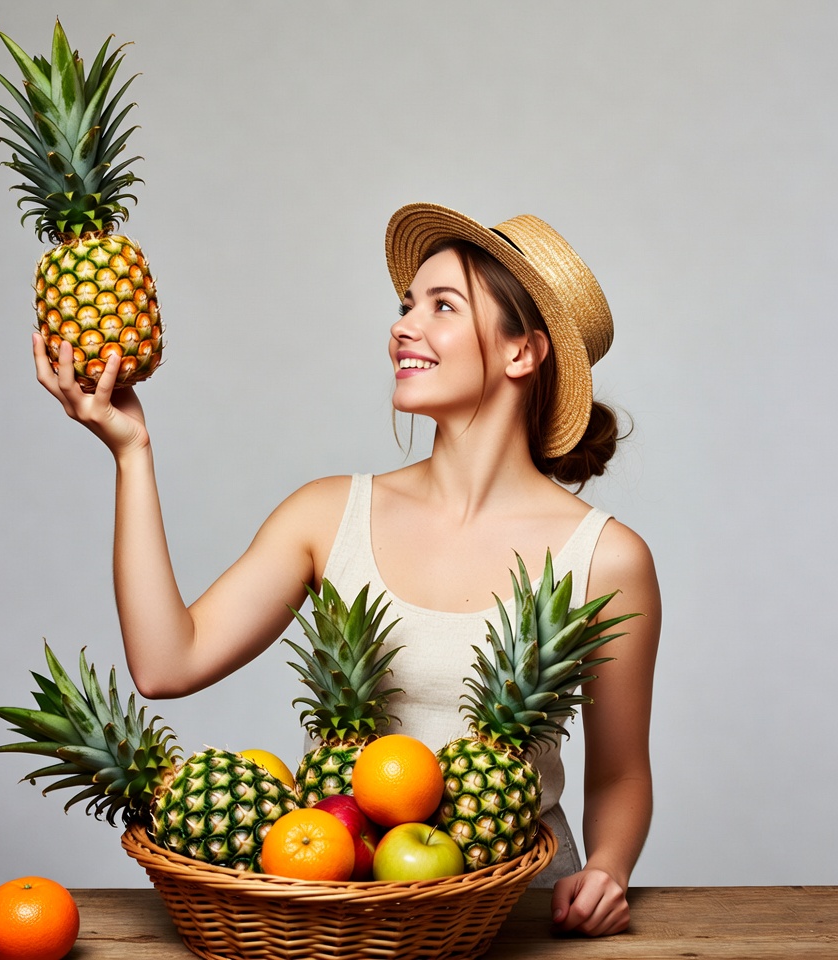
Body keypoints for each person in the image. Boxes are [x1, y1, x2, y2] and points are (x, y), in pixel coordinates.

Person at [34, 202, 660, 937]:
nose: (403, 325)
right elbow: (167, 663)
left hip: (516, 919)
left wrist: (608, 871)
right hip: (343, 909)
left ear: (523, 352)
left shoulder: (607, 557)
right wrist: (131, 451)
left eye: (442, 305)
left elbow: (620, 772)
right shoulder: (327, 515)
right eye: (405, 304)